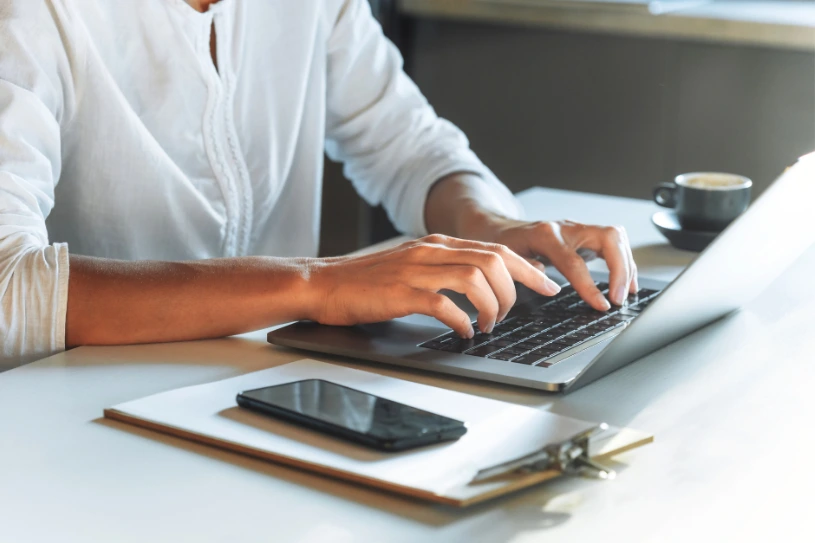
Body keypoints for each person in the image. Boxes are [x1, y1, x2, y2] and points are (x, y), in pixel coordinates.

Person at [0, 0, 638, 367]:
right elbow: (7, 287)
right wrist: (317, 283)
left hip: (277, 386)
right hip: (78, 412)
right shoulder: (30, 15)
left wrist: (492, 225)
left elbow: (405, 142)